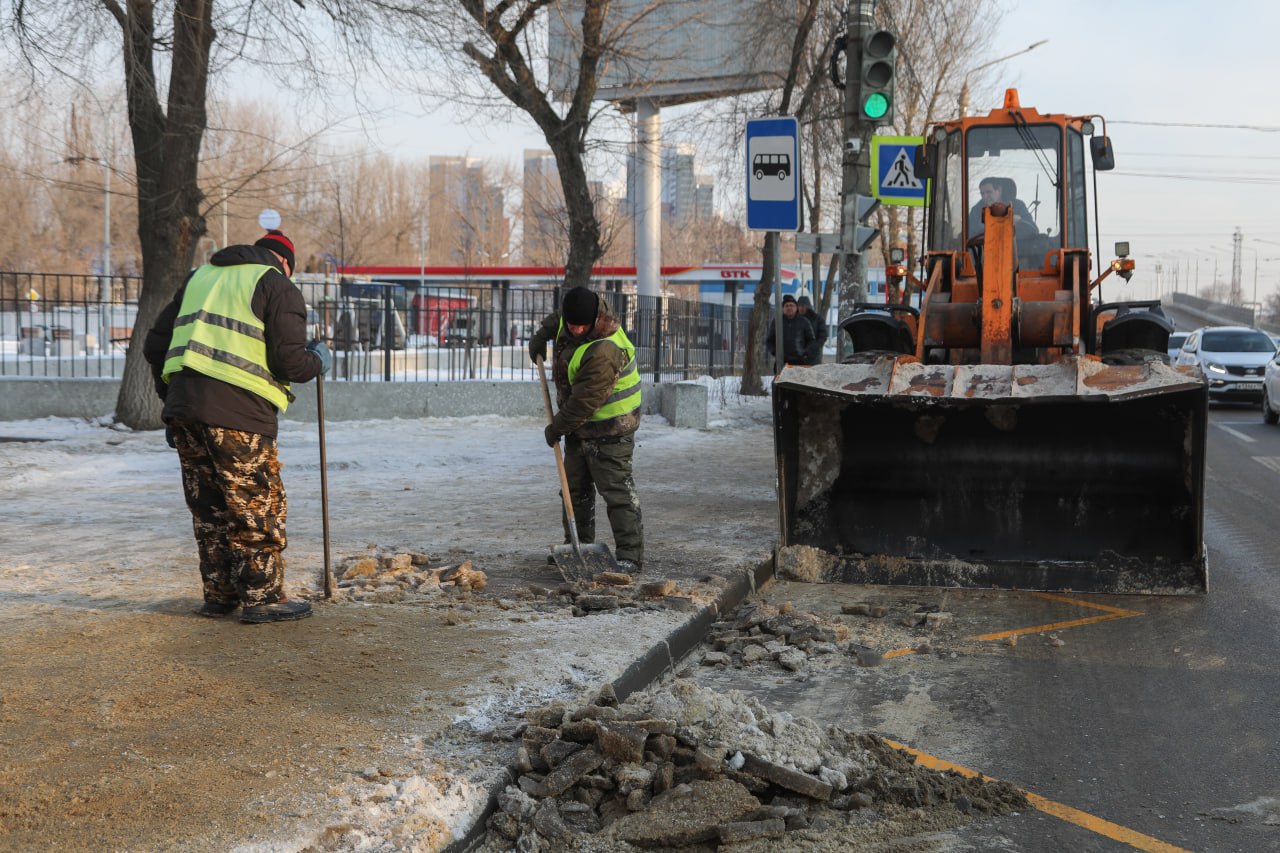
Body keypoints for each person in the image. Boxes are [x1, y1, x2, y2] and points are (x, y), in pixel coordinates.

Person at [143, 229, 331, 624]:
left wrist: (173, 402)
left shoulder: (199, 278)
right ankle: (262, 599)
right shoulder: (275, 284)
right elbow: (289, 363)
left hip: (184, 411)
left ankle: (219, 595)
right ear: (284, 263)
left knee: (209, 509)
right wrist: (317, 359)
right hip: (239, 414)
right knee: (255, 505)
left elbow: (155, 347)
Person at [528, 287, 644, 573]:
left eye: (582, 325)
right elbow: (556, 321)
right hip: (580, 427)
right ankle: (576, 547)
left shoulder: (605, 349)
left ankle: (630, 555)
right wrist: (541, 337)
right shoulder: (568, 321)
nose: (576, 329)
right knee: (574, 488)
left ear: (595, 319)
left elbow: (584, 403)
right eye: (571, 324)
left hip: (612, 426)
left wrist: (556, 429)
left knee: (616, 490)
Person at [968, 176, 1034, 236]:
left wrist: (1019, 222)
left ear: (999, 190)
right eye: (982, 193)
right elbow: (970, 232)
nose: (985, 196)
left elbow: (1033, 229)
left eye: (989, 192)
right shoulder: (977, 210)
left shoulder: (1017, 205)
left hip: (1015, 246)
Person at [765, 294, 816, 366]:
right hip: (782, 362)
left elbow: (811, 340)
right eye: (786, 305)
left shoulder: (804, 321)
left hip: (800, 362)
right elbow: (769, 341)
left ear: (796, 307)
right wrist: (775, 352)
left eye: (791, 305)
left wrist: (805, 353)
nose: (789, 308)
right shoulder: (777, 321)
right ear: (783, 308)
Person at [795, 295, 828, 365]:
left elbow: (823, 335)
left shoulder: (817, 319)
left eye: (803, 306)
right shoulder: (794, 319)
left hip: (813, 357)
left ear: (808, 306)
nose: (801, 308)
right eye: (799, 306)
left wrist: (815, 347)